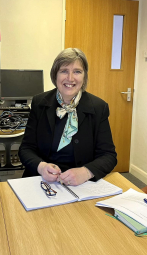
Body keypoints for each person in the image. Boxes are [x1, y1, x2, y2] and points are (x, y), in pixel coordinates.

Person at [18, 48, 117, 186]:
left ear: (84, 76)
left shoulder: (98, 107)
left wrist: (86, 172)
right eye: (64, 71)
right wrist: (41, 166)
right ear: (55, 75)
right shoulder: (39, 103)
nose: (70, 78)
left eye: (77, 71)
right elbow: (26, 149)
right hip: (42, 181)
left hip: (81, 185)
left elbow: (109, 156)